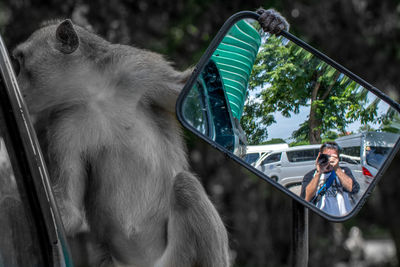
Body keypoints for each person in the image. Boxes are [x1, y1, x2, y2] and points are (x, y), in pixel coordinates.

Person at [300, 142, 360, 216]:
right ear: (319, 156)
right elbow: (306, 198)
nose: (329, 160)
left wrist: (337, 169)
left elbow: (353, 189)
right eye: (326, 156)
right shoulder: (311, 176)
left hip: (342, 218)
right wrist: (318, 173)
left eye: (333, 157)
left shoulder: (343, 171)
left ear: (338, 158)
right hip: (321, 219)